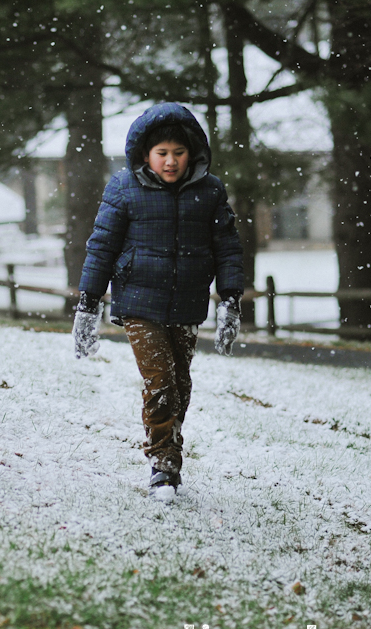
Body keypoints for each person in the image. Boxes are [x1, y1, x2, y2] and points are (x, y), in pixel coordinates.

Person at [72, 102, 244, 500]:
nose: (171, 161)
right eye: (162, 153)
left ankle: (168, 451)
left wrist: (230, 301)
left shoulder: (210, 191)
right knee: (160, 382)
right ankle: (163, 467)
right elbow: (102, 247)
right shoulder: (123, 188)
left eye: (179, 153)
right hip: (138, 301)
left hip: (187, 301)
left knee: (180, 385)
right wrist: (88, 305)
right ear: (145, 154)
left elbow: (228, 249)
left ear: (192, 153)